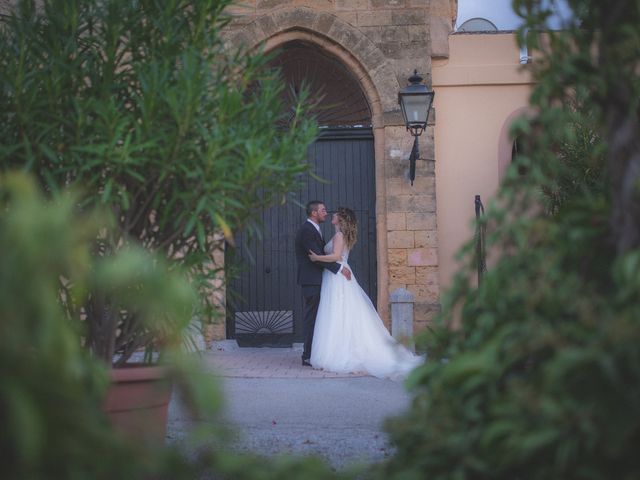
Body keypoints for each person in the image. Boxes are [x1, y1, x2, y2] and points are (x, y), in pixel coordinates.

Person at [308, 207, 423, 379]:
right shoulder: (339, 235)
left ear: (341, 219)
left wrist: (317, 258)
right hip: (337, 275)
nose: (332, 214)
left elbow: (335, 256)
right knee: (341, 312)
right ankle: (340, 348)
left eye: (336, 214)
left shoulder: (339, 236)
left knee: (339, 311)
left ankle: (341, 352)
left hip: (338, 276)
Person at [295, 201, 352, 367]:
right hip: (311, 280)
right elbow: (316, 257)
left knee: (318, 317)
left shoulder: (315, 230)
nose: (326, 213)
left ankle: (315, 352)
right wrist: (339, 268)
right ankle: (307, 355)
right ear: (314, 213)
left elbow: (320, 256)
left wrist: (337, 266)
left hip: (318, 279)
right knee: (312, 318)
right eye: (323, 210)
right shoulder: (307, 231)